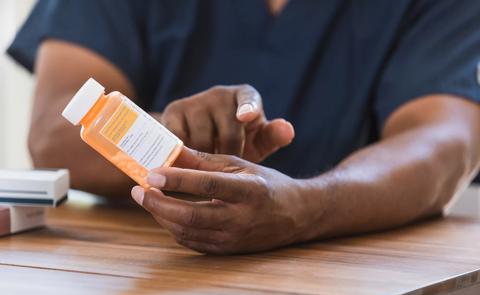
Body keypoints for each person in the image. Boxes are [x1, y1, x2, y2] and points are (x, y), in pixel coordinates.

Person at [7, 0, 480, 254]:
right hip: (144, 270)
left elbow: (446, 143)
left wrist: (309, 207)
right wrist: (164, 141)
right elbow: (55, 131)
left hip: (344, 273)